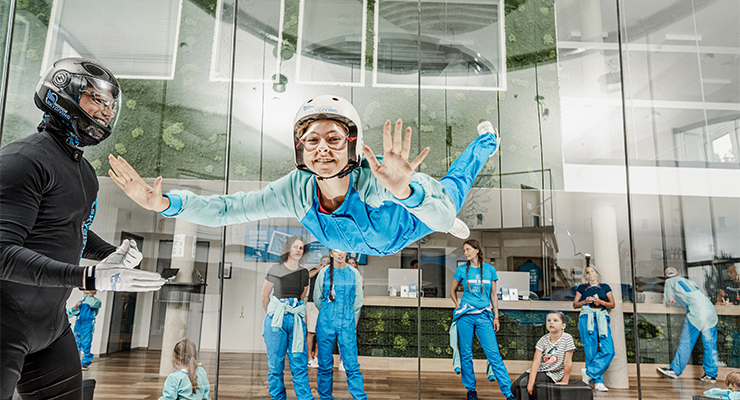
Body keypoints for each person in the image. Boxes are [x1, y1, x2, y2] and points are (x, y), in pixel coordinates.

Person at [108, 95, 501, 257]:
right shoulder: (295, 191)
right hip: (362, 245)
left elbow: (439, 214)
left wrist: (406, 190)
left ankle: (486, 142)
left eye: (333, 138)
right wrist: (162, 203)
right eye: (311, 140)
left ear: (352, 144)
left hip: (410, 222)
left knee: (454, 191)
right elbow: (228, 209)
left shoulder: (379, 176)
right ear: (300, 149)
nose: (322, 149)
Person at [0, 57, 165, 399]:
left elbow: (65, 230)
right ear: (62, 93)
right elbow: (2, 252)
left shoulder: (86, 174)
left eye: (111, 105)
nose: (107, 111)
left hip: (51, 327)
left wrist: (110, 255)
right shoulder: (22, 160)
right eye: (97, 99)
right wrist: (88, 278)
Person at [449, 239, 515, 400]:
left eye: (468, 249)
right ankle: (471, 389)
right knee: (466, 354)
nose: (465, 253)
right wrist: (458, 305)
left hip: (484, 316)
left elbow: (493, 295)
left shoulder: (490, 270)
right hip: (465, 316)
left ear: (477, 250)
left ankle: (508, 392)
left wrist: (496, 316)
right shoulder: (460, 270)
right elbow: (452, 291)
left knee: (494, 354)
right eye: (464, 250)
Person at [260, 236, 313, 400]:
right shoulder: (276, 269)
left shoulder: (304, 272)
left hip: (295, 320)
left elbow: (302, 296)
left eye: (301, 248)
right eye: (295, 247)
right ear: (288, 249)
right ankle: (277, 397)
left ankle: (305, 397)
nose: (298, 250)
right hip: (277, 320)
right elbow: (264, 296)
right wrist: (273, 315)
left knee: (299, 363)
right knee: (275, 365)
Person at [314, 249, 366, 400]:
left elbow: (358, 301)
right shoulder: (323, 273)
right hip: (325, 322)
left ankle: (359, 397)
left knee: (351, 364)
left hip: (346, 323)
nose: (339, 254)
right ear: (331, 253)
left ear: (347, 253)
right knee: (324, 365)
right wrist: (327, 312)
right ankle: (325, 397)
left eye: (342, 250)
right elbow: (318, 299)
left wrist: (348, 314)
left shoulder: (354, 273)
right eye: (336, 251)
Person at [657, 267, 718, 383]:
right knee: (710, 345)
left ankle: (675, 370)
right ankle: (711, 375)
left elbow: (670, 300)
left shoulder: (669, 282)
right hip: (710, 311)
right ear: (678, 273)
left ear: (666, 277)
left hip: (696, 313)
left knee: (686, 342)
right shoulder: (690, 282)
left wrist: (665, 301)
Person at [510, 311, 575, 400]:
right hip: (541, 369)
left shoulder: (567, 338)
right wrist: (531, 382)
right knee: (514, 387)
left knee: (523, 383)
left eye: (555, 320)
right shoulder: (542, 340)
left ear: (563, 326)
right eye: (548, 320)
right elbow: (536, 362)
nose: (551, 322)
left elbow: (568, 362)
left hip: (553, 373)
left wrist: (565, 380)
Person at [572, 262, 615, 392]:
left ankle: (589, 372)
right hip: (587, 317)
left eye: (592, 271)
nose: (590, 274)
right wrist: (585, 301)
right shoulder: (582, 288)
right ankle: (598, 382)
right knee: (590, 350)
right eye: (587, 272)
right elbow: (575, 304)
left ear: (597, 273)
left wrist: (600, 302)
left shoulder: (605, 287)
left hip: (602, 317)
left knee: (609, 349)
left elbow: (612, 304)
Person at [67, 290, 102, 370]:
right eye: (84, 293)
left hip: (87, 325)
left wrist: (86, 298)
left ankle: (86, 361)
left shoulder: (96, 302)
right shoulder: (81, 303)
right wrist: (76, 306)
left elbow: (92, 303)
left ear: (93, 293)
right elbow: (70, 313)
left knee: (86, 343)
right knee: (75, 343)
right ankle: (76, 360)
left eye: (88, 293)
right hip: (78, 325)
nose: (85, 295)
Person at [307, 255, 330, 368]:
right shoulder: (314, 270)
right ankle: (309, 358)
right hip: (312, 303)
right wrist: (320, 269)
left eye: (327, 262)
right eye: (323, 261)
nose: (325, 263)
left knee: (321, 332)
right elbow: (308, 276)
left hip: (325, 305)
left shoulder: (331, 273)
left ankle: (316, 357)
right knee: (311, 332)